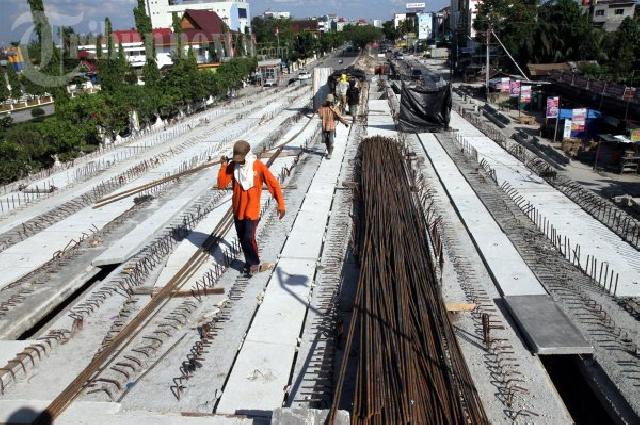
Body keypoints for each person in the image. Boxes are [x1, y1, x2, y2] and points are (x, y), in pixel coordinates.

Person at [218, 140, 286, 275]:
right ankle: (250, 263)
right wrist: (223, 165)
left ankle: (254, 264)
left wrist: (281, 204)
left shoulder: (258, 166)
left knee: (248, 237)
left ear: (248, 155)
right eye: (237, 159)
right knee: (242, 238)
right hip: (238, 210)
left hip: (252, 210)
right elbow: (221, 184)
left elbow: (273, 184)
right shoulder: (233, 166)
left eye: (241, 159)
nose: (240, 162)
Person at [318, 94, 349, 160]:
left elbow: (339, 117)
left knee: (330, 140)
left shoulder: (334, 108)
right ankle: (329, 149)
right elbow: (320, 116)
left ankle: (330, 153)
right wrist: (320, 111)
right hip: (324, 126)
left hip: (331, 126)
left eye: (330, 101)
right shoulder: (322, 108)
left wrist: (345, 123)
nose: (329, 102)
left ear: (332, 101)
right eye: (328, 101)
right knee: (326, 140)